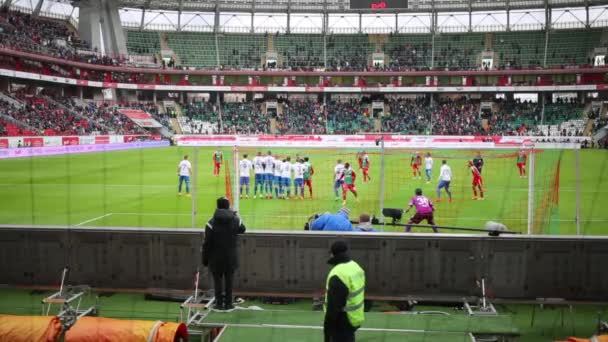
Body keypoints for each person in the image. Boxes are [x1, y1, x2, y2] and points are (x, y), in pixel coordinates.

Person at [202, 197, 246, 312]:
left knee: (217, 281)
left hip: (215, 258)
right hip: (231, 257)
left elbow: (206, 244)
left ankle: (219, 304)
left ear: (217, 206)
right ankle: (228, 304)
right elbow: (243, 229)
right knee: (229, 280)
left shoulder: (210, 223)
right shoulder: (235, 220)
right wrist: (234, 215)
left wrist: (205, 259)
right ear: (228, 206)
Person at [324, 241, 365, 342]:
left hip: (342, 321)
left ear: (333, 254)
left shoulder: (337, 274)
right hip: (354, 316)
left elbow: (333, 308)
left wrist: (327, 330)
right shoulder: (355, 266)